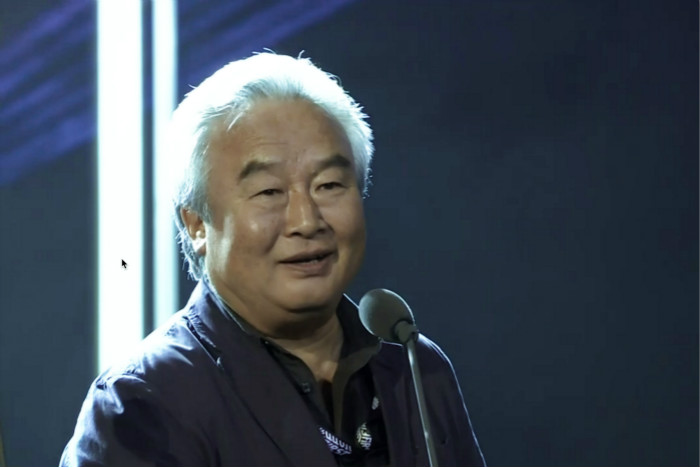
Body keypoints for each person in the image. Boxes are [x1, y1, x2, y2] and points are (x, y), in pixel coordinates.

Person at [60, 52, 486, 467]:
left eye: (329, 185)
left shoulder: (414, 369)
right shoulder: (146, 401)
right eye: (269, 192)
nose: (306, 220)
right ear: (197, 224)